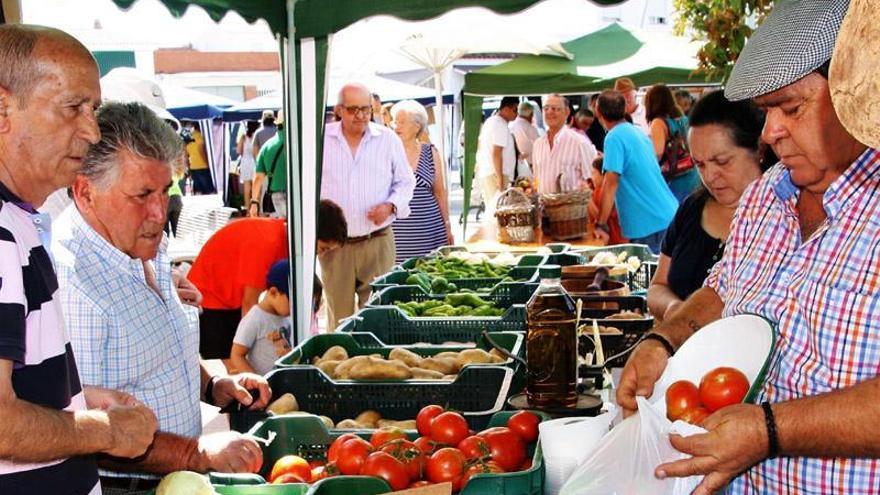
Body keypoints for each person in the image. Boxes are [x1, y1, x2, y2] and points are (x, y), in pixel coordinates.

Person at [617, 1, 880, 493]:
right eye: (766, 111)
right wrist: (664, 340)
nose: (769, 132)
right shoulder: (765, 195)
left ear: (861, 93)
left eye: (792, 108)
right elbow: (722, 289)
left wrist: (769, 430)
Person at [54, 102, 271, 493]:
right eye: (141, 195)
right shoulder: (73, 282)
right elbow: (79, 431)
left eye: (164, 191)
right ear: (86, 192)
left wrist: (212, 385)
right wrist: (194, 453)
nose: (159, 213)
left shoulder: (145, 244)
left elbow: (157, 347)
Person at [0, 25, 159, 495]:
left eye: (93, 109)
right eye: (73, 108)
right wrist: (105, 431)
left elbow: (19, 390)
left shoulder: (21, 219)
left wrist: (75, 400)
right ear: (2, 109)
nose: (91, 132)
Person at [647, 90, 771, 322]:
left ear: (759, 149)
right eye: (700, 164)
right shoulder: (691, 208)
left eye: (722, 161)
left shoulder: (782, 218)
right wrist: (675, 309)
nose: (710, 176)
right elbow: (657, 286)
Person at [320, 83, 416, 328]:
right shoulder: (321, 140)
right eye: (353, 110)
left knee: (378, 317)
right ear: (339, 110)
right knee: (338, 320)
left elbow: (406, 181)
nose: (361, 116)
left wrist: (391, 205)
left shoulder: (387, 139)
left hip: (377, 241)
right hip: (335, 248)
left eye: (366, 109)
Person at [594, 90, 677, 253]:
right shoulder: (637, 132)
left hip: (649, 223)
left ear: (598, 112)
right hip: (666, 215)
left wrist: (601, 223)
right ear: (625, 109)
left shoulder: (614, 137)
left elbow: (610, 184)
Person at [389, 100, 452, 263]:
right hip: (398, 233)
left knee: (430, 271)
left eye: (402, 122)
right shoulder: (386, 152)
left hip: (430, 230)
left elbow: (440, 192)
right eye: (395, 121)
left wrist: (447, 225)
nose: (396, 126)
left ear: (417, 127)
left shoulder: (430, 152)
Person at [230, 259, 292, 375]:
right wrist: (256, 380)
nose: (295, 308)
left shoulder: (287, 316)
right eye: (292, 302)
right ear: (273, 293)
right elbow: (237, 354)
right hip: (264, 383)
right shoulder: (255, 318)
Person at [644, 83, 702, 203]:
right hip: (693, 174)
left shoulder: (658, 123)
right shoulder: (683, 119)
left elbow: (657, 154)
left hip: (676, 178)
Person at [532, 94, 597, 194]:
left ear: (566, 112)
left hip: (572, 203)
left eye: (555, 109)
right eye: (546, 108)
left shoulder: (580, 143)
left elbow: (593, 181)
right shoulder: (538, 144)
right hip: (543, 203)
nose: (549, 112)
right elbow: (536, 180)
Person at [475, 96, 518, 216]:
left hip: (492, 173)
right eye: (515, 110)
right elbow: (496, 153)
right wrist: (500, 179)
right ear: (506, 109)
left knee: (496, 211)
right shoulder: (499, 124)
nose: (517, 114)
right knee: (498, 213)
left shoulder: (493, 121)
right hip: (496, 174)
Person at [249, 112, 286, 218]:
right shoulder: (300, 143)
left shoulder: (267, 146)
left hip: (277, 195)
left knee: (285, 225)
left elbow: (258, 178)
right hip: (299, 193)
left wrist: (254, 203)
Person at [587, 157, 627, 245]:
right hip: (623, 239)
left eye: (593, 173)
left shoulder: (601, 192)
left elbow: (599, 218)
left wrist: (588, 199)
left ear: (603, 175)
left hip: (614, 241)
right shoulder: (616, 190)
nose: (592, 177)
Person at [182, 120, 214, 194]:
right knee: (209, 191)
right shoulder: (202, 136)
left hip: (193, 167)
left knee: (198, 191)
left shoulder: (188, 137)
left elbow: (185, 154)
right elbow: (202, 150)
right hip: (204, 167)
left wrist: (188, 167)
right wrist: (209, 164)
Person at [509, 101, 539, 176]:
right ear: (530, 114)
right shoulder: (529, 127)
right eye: (532, 115)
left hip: (513, 165)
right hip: (528, 166)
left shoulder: (510, 125)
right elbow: (540, 144)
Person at [237, 120, 260, 214]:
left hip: (245, 162)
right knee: (256, 187)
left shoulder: (243, 137)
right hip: (255, 162)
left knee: (247, 188)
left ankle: (247, 210)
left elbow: (239, 150)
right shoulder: (257, 136)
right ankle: (257, 209)